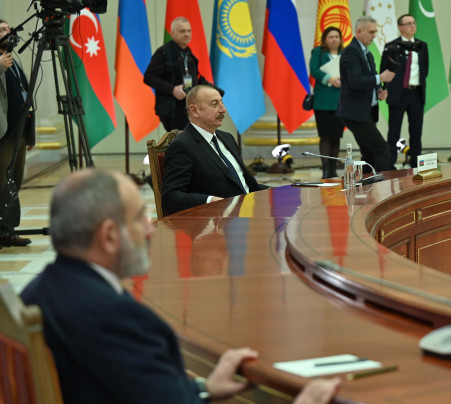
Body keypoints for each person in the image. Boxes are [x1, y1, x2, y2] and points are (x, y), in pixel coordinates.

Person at [21, 168, 341, 403]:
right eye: (140, 218)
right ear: (109, 236)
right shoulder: (115, 320)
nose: (151, 229)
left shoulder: (36, 292)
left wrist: (202, 389)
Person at [161, 84, 268, 216]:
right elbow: (170, 198)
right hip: (219, 220)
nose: (223, 109)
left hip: (249, 210)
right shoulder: (183, 146)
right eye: (215, 104)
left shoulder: (227, 138)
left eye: (222, 102)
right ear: (195, 111)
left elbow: (245, 184)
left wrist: (277, 191)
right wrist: (210, 201)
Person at [337, 16, 395, 173]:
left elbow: (369, 78)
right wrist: (380, 78)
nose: (374, 35)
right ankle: (382, 186)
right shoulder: (351, 52)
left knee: (370, 154)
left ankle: (367, 185)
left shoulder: (366, 53)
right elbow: (355, 81)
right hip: (355, 113)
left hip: (365, 112)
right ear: (359, 31)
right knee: (382, 150)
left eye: (375, 32)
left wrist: (379, 90)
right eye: (371, 32)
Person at [144, 17, 214, 132]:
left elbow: (195, 78)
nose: (187, 34)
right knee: (180, 140)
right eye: (182, 31)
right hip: (172, 109)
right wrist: (172, 90)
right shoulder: (163, 53)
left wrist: (214, 92)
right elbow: (149, 77)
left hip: (189, 107)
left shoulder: (189, 54)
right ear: (172, 33)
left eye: (189, 31)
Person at [380, 14, 429, 168]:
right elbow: (384, 70)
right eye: (408, 23)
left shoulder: (422, 45)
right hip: (397, 94)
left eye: (414, 23)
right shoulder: (391, 46)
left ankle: (416, 162)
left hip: (416, 93)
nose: (412, 26)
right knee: (394, 131)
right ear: (400, 27)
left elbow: (425, 70)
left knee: (416, 131)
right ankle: (390, 163)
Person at [0, 18, 33, 248]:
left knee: (15, 181)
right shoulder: (3, 62)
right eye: (2, 29)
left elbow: (25, 94)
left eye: (8, 28)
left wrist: (30, 134)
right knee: (2, 183)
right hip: (3, 134)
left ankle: (7, 230)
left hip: (19, 132)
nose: (8, 32)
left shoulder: (14, 59)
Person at [309, 27, 344, 179]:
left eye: (337, 36)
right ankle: (325, 169)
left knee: (336, 136)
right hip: (323, 102)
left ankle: (333, 169)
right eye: (331, 37)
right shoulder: (318, 52)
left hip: (340, 101)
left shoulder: (345, 53)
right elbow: (314, 70)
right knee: (325, 136)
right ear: (325, 39)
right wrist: (330, 79)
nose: (334, 39)